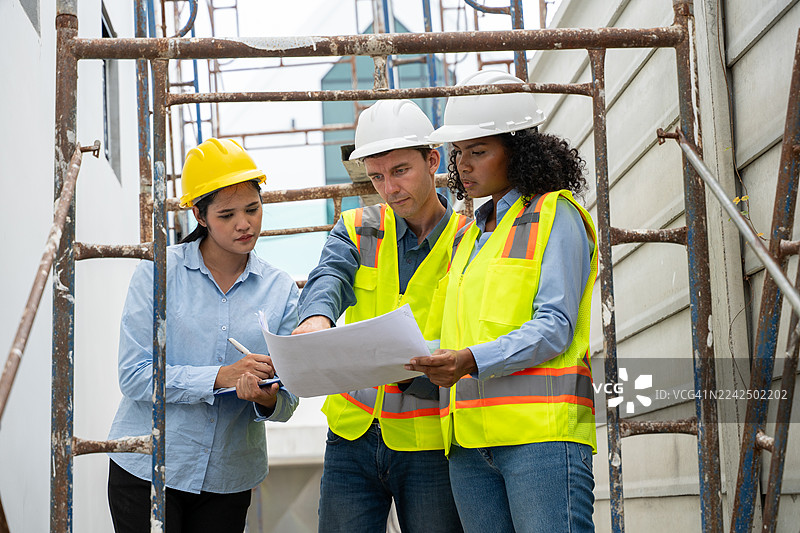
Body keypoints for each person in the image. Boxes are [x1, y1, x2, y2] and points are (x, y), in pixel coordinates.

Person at [406, 70, 598, 533]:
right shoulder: (468, 236)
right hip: (469, 448)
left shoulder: (557, 213)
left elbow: (554, 325)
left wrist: (470, 360)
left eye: (479, 151)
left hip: (542, 442)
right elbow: (461, 334)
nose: (463, 165)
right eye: (458, 153)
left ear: (519, 150)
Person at [106, 138, 300, 533]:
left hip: (228, 479)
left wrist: (267, 399)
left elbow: (289, 397)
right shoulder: (158, 274)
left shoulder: (281, 290)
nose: (244, 224)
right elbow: (134, 375)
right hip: (147, 467)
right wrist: (220, 377)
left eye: (252, 209)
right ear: (199, 214)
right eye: (227, 214)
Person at [293, 99, 468, 532]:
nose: (388, 188)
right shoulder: (357, 227)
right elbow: (330, 275)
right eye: (376, 176)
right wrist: (316, 317)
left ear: (433, 160)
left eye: (400, 171)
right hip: (351, 437)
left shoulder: (471, 239)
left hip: (428, 441)